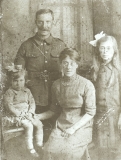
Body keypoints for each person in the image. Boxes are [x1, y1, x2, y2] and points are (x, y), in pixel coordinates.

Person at [35, 48, 96, 160]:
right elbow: (53, 110)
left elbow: (90, 113)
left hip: (81, 126)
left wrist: (73, 129)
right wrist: (37, 116)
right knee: (48, 151)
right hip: (62, 125)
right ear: (61, 64)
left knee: (68, 152)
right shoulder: (56, 85)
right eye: (65, 63)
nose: (69, 67)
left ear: (77, 65)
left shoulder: (87, 85)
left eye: (72, 63)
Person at [14, 9, 66, 114]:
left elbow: (70, 68)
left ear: (53, 22)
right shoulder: (26, 45)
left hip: (56, 94)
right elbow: (17, 73)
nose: (44, 26)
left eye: (48, 22)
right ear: (35, 22)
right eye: (40, 22)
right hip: (33, 96)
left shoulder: (61, 45)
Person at [89, 31, 121, 160]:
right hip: (99, 112)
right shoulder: (95, 70)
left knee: (114, 146)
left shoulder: (118, 71)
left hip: (114, 113)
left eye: (108, 48)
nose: (105, 52)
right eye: (102, 48)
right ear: (98, 51)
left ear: (114, 51)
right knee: (101, 145)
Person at [3, 64, 43, 157]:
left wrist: (30, 112)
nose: (18, 83)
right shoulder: (9, 92)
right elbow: (9, 106)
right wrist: (20, 114)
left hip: (27, 114)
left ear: (25, 80)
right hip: (17, 115)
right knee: (29, 126)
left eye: (21, 80)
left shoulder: (27, 91)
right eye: (15, 81)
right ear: (10, 81)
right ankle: (31, 148)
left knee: (39, 124)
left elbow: (32, 102)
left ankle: (39, 144)